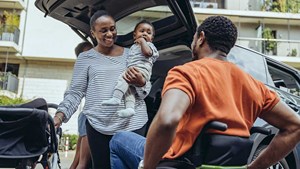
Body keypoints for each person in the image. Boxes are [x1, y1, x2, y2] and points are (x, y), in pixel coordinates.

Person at [109, 16, 300, 169]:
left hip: (178, 161)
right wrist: (254, 167)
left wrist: (147, 166)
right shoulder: (255, 85)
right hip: (225, 164)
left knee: (118, 140)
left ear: (201, 38)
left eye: (193, 38)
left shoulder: (187, 72)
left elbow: (167, 121)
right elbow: (295, 126)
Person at [53, 9, 151, 169]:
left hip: (133, 124)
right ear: (93, 33)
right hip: (98, 127)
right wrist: (60, 116)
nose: (110, 34)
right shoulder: (85, 59)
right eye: (103, 30)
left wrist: (141, 83)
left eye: (112, 28)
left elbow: (144, 89)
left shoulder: (132, 54)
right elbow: (75, 93)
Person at [101, 20, 159, 118]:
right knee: (129, 90)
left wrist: (142, 42)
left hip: (141, 70)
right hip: (134, 69)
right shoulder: (133, 47)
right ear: (134, 36)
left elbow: (148, 53)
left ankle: (116, 98)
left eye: (148, 33)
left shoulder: (150, 45)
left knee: (123, 77)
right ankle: (130, 108)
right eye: (142, 31)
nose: (145, 34)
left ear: (151, 39)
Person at [69, 41, 93, 169]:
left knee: (78, 159)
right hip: (88, 116)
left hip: (86, 115)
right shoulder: (85, 70)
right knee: (82, 162)